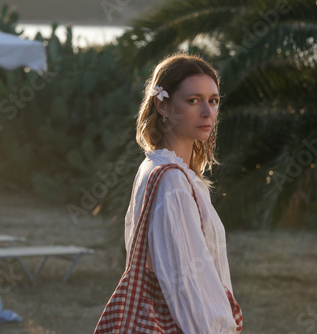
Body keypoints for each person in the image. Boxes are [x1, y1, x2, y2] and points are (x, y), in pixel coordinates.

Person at [124, 53, 241, 333]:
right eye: (193, 101)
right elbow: (186, 282)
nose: (207, 112)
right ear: (162, 105)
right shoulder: (172, 182)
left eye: (213, 101)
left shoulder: (154, 165)